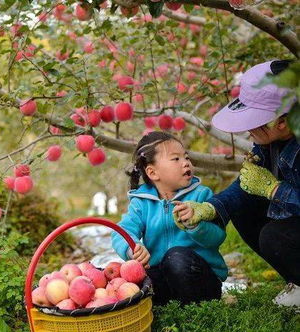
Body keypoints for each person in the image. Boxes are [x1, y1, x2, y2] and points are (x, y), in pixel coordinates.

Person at [173, 60, 299, 308]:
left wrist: (275, 190)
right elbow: (247, 186)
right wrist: (210, 208)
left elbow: (268, 187)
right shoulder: (268, 142)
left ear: (281, 122)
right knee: (244, 210)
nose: (248, 130)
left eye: (254, 121)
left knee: (275, 237)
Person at [111, 131, 227, 305]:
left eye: (186, 157)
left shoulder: (201, 195)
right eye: (176, 159)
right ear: (153, 172)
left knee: (176, 258)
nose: (186, 162)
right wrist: (132, 248)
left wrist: (195, 225)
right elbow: (123, 231)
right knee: (133, 279)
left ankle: (193, 308)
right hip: (163, 278)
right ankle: (165, 305)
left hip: (199, 279)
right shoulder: (141, 203)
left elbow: (217, 237)